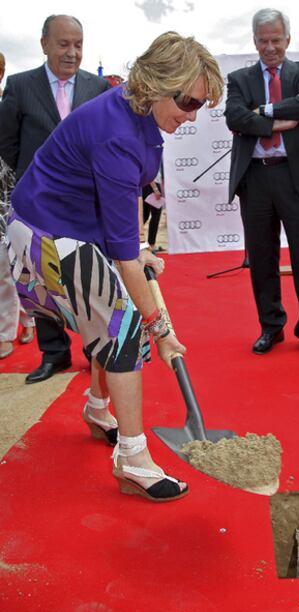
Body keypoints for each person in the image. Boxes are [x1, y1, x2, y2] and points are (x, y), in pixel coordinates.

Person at [6, 31, 223, 501]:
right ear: (159, 83)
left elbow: (120, 217)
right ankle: (132, 458)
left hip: (70, 227)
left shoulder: (138, 117)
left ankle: (99, 408)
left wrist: (137, 248)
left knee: (114, 314)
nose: (190, 115)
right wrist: (161, 329)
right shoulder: (118, 133)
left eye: (199, 107)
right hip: (43, 237)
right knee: (125, 326)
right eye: (186, 101)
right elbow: (124, 258)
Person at [0, 15, 110, 381]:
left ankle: (96, 349)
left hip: (87, 203)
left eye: (78, 44)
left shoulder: (98, 88)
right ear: (44, 43)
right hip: (39, 205)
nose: (72, 52)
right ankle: (54, 353)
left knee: (90, 277)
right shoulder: (19, 86)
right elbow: (7, 144)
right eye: (63, 44)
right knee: (42, 279)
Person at [225, 8, 299, 357]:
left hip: (296, 175)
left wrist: (264, 112)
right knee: (261, 257)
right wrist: (278, 124)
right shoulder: (240, 79)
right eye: (263, 40)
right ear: (255, 41)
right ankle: (271, 327)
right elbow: (234, 117)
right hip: (255, 178)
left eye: (276, 40)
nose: (270, 47)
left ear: (288, 39)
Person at [0, 52, 35, 359]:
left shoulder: (7, 107)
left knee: (4, 268)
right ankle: (27, 317)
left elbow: (12, 152)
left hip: (5, 198)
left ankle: (4, 332)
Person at [142, 166, 164, 251]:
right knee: (155, 216)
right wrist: (155, 188)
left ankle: (136, 241)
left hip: (147, 186)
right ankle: (151, 244)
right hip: (152, 186)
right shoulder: (152, 154)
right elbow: (149, 171)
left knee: (145, 216)